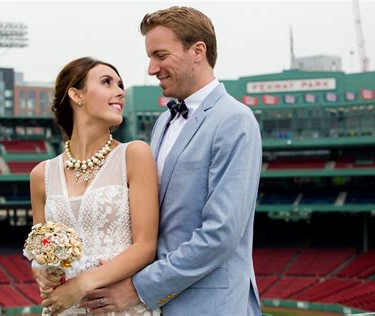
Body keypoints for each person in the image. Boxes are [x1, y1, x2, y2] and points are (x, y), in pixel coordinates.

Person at [81, 6, 262, 315]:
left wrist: (139, 288)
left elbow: (220, 234)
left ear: (198, 51)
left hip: (211, 307)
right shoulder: (163, 123)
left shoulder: (235, 120)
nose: (151, 69)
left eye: (160, 56)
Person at [30, 57, 161, 315]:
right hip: (64, 308)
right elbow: (39, 249)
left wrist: (82, 284)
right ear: (76, 95)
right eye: (107, 82)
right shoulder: (41, 175)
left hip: (121, 307)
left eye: (120, 85)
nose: (120, 91)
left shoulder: (134, 155)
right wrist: (41, 272)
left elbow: (145, 247)